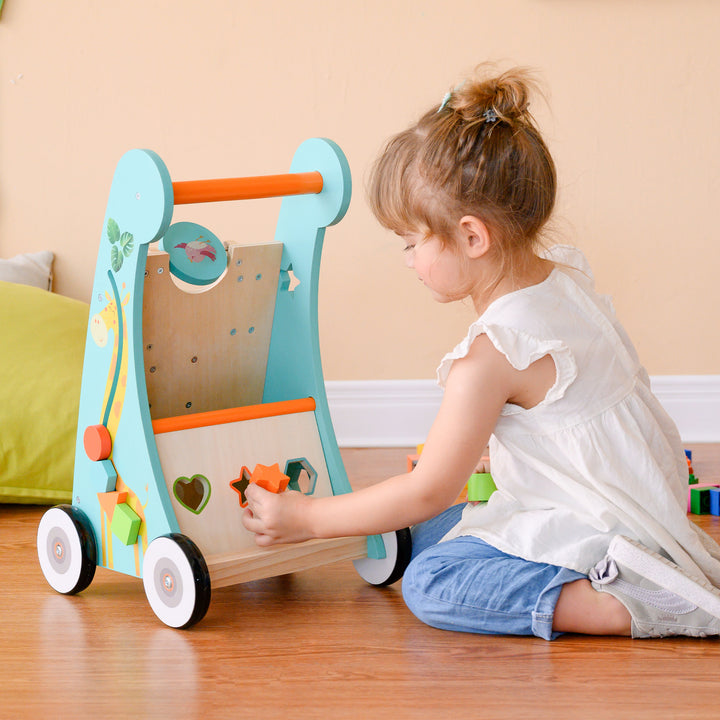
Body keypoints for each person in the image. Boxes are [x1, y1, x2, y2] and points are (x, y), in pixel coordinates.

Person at [243, 65, 720, 640]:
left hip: (602, 525)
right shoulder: (563, 280)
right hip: (628, 495)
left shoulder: (490, 356)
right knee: (430, 529)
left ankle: (629, 603)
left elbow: (429, 489)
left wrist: (308, 519)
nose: (407, 261)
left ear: (472, 237)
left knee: (432, 581)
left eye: (411, 243)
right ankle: (626, 574)